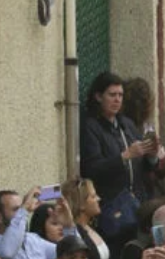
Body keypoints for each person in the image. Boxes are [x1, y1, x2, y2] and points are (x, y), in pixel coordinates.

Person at [79, 73, 154, 245]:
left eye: (120, 95)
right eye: (112, 95)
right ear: (98, 97)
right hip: (111, 207)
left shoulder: (126, 124)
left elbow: (143, 166)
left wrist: (152, 156)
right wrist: (123, 157)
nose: (117, 100)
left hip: (137, 203)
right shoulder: (91, 126)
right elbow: (92, 168)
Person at [60, 180, 106, 259]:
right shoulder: (75, 234)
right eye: (93, 196)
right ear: (81, 204)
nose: (99, 199)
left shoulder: (91, 227)